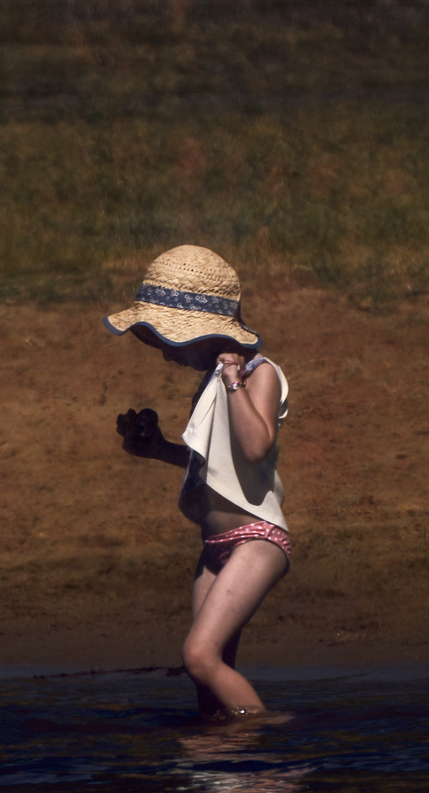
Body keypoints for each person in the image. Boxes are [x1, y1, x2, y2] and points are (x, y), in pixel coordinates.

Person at [106, 245, 292, 718]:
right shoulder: (211, 384)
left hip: (255, 540)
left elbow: (255, 447)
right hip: (215, 546)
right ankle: (222, 775)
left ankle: (272, 741)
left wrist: (234, 378)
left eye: (169, 339)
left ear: (206, 335)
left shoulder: (258, 374)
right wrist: (157, 449)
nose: (166, 352)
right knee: (207, 683)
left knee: (199, 656)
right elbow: (212, 465)